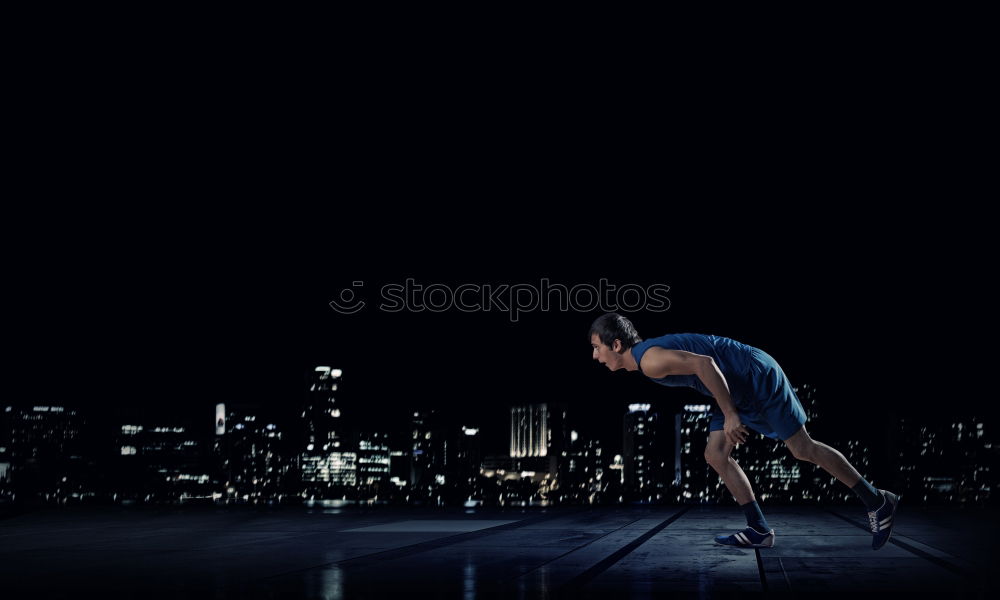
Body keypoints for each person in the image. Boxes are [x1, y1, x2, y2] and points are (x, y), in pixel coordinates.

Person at [588, 312, 899, 550]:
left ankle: (876, 500)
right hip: (733, 385)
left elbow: (706, 364)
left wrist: (730, 414)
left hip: (753, 375)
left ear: (616, 345)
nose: (595, 355)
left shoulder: (650, 361)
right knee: (715, 454)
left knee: (802, 449)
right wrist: (728, 409)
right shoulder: (648, 358)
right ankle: (759, 530)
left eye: (597, 347)